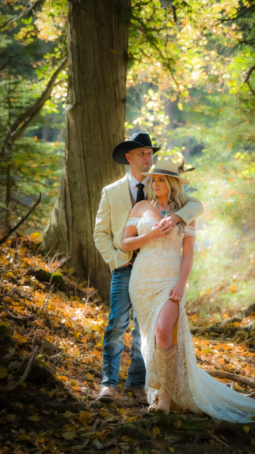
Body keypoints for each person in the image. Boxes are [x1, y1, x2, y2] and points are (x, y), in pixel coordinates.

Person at [121, 158, 255, 422]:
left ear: (172, 183)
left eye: (161, 180)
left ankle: (165, 397)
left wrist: (181, 284)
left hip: (169, 280)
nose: (155, 184)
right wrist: (150, 236)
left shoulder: (186, 211)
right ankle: (155, 394)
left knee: (163, 330)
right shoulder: (142, 206)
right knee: (151, 338)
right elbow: (125, 243)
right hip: (142, 279)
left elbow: (188, 254)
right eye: (153, 179)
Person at [93, 132, 204, 403]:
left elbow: (197, 207)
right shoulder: (112, 192)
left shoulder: (169, 191)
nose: (147, 158)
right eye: (142, 153)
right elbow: (100, 234)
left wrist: (176, 216)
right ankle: (108, 384)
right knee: (117, 324)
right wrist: (118, 260)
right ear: (129, 157)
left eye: (150, 154)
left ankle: (138, 384)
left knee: (147, 330)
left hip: (161, 270)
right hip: (126, 267)